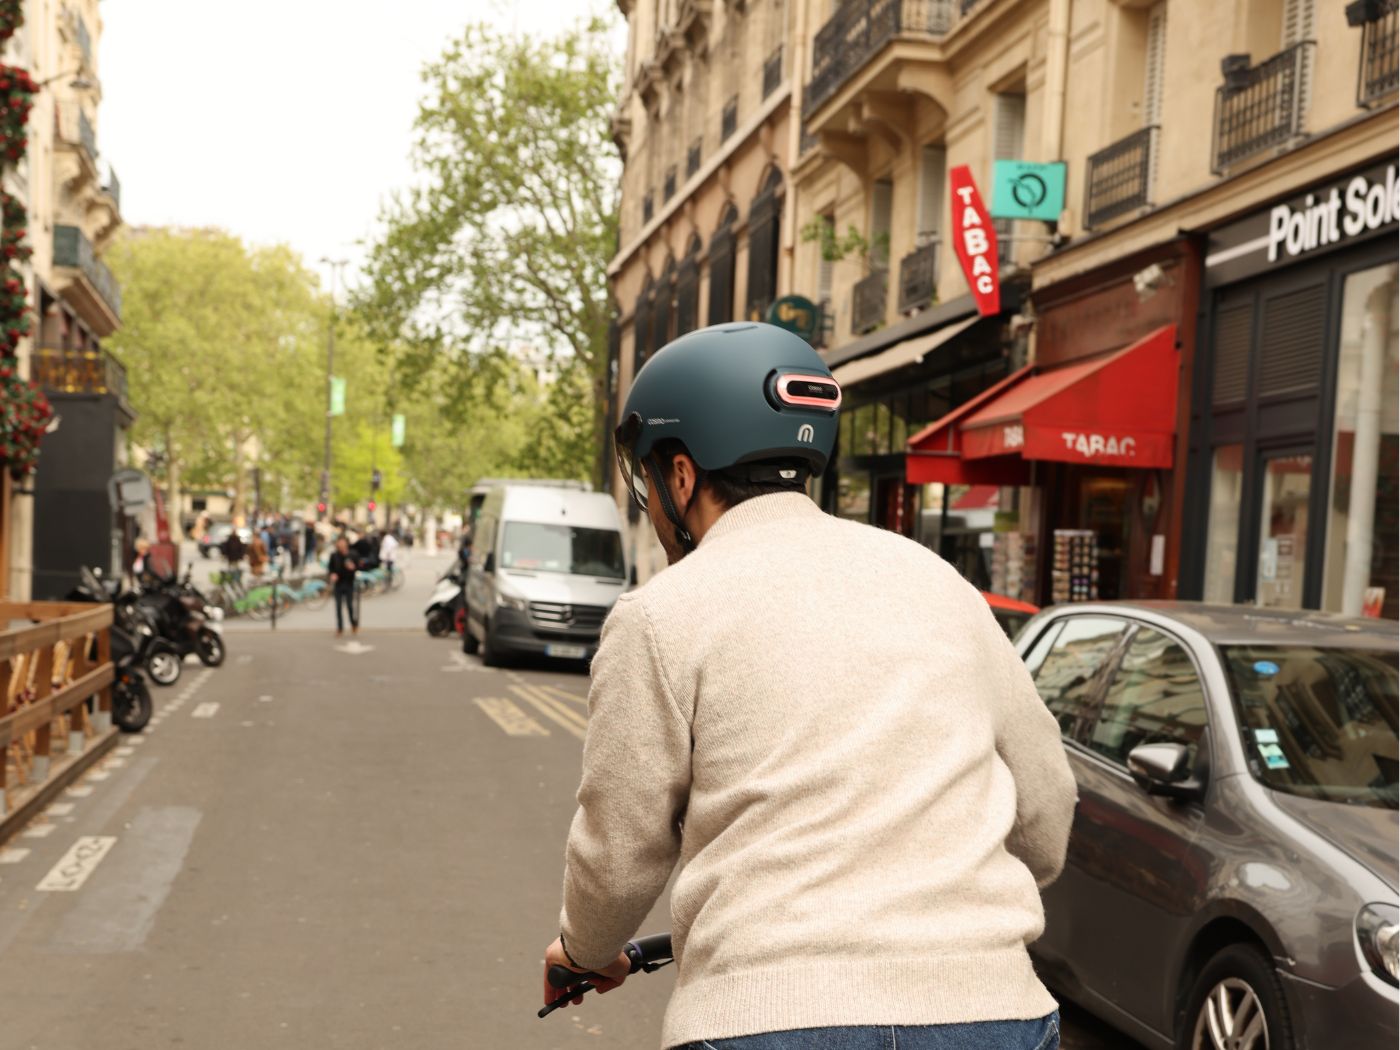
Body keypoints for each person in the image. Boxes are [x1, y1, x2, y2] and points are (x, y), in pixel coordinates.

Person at [542, 323, 1077, 1050]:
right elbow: (1046, 802)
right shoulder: (940, 583)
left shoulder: (661, 614)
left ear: (680, 474)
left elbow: (620, 849)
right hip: (991, 1010)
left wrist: (582, 948)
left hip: (768, 1019)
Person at [327, 536, 359, 636]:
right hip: (338, 584)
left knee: (350, 606)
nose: (341, 545)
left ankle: (353, 623)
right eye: (339, 543)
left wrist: (353, 567)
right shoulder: (334, 555)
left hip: (349, 583)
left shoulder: (353, 554)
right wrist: (332, 574)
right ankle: (340, 628)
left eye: (343, 542)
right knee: (338, 607)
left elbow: (358, 566)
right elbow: (330, 568)